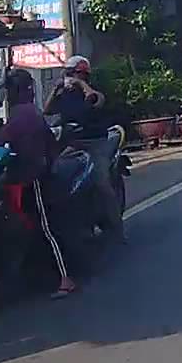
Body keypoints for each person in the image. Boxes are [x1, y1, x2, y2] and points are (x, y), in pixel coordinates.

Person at [0, 68, 76, 298]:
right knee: (32, 226)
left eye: (9, 90)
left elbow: (2, 140)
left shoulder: (22, 114)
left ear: (16, 91)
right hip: (35, 175)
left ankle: (66, 279)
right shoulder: (30, 111)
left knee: (47, 229)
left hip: (35, 178)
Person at [44, 55, 124, 242]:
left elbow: (97, 101)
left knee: (102, 183)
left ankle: (117, 229)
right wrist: (56, 88)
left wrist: (81, 85)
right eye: (69, 73)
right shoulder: (64, 94)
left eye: (76, 74)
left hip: (95, 142)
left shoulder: (93, 91)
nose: (71, 77)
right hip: (72, 142)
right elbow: (47, 110)